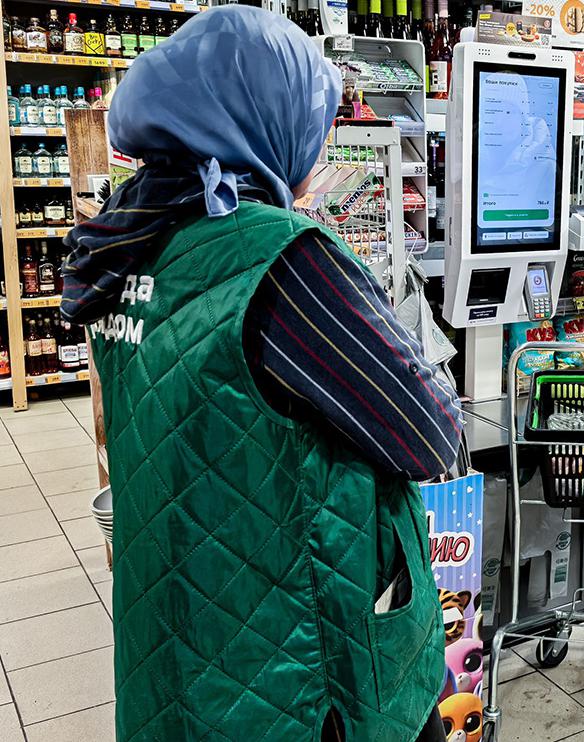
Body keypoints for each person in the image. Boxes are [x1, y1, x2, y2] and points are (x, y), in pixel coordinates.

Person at [60, 7, 461, 741]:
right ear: (265, 118)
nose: (323, 139)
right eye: (315, 116)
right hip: (298, 665)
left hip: (183, 641)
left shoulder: (123, 237)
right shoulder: (280, 256)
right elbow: (430, 435)